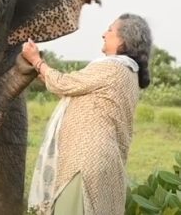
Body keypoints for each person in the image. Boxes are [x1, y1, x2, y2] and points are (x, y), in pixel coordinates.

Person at [22, 14, 152, 215]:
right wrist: (40, 67)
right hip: (103, 160)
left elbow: (64, 84)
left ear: (123, 40)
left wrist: (37, 60)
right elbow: (70, 90)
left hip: (85, 159)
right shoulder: (128, 73)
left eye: (110, 30)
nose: (103, 34)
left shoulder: (112, 68)